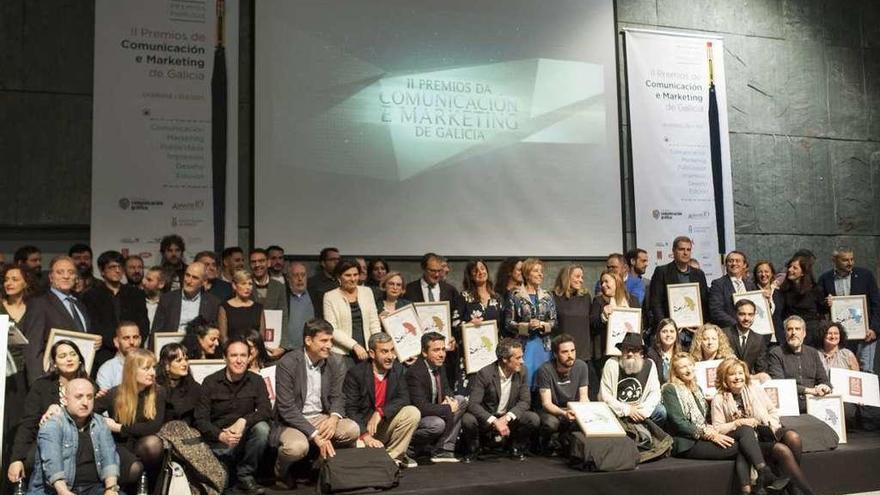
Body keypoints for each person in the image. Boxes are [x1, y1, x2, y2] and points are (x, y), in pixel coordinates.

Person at [663, 354, 787, 495]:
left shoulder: (696, 388)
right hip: (687, 443)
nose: (688, 369)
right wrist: (708, 434)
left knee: (745, 430)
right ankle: (761, 479)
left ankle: (756, 482)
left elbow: (704, 418)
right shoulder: (670, 389)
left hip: (705, 432)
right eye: (683, 366)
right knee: (744, 445)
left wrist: (711, 430)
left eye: (690, 365)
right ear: (675, 371)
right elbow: (679, 423)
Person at [271, 319, 359, 487]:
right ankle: (280, 473)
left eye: (331, 340)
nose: (329, 345)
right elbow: (286, 408)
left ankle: (318, 467)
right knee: (297, 448)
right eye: (324, 341)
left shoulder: (336, 361)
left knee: (351, 429)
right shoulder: (288, 363)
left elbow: (338, 396)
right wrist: (314, 434)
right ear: (308, 340)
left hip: (322, 416)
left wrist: (333, 418)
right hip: (292, 420)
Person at [712, 358, 816, 495]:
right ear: (724, 378)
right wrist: (738, 423)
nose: (738, 377)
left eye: (740, 373)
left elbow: (772, 411)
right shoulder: (719, 399)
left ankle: (791, 486)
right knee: (782, 450)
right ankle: (806, 492)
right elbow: (718, 428)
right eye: (732, 374)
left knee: (794, 437)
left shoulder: (754, 389)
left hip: (767, 430)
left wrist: (771, 428)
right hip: (750, 442)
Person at [194, 337, 271, 495]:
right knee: (222, 486)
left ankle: (245, 475)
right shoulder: (210, 382)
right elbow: (200, 419)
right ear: (225, 358)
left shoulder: (256, 381)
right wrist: (221, 435)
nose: (239, 360)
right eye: (234, 355)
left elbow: (266, 410)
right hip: (218, 442)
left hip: (244, 440)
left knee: (262, 429)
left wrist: (244, 421)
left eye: (243, 355)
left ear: (249, 358)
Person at [7, 341, 89, 487]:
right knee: (33, 458)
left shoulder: (90, 386)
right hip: (47, 442)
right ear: (55, 363)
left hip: (80, 444)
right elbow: (28, 424)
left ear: (80, 359)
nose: (69, 359)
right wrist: (16, 459)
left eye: (73, 354)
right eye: (62, 356)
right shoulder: (41, 386)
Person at [26, 378, 120, 495]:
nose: (85, 402)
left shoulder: (100, 422)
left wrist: (111, 489)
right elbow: (52, 464)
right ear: (65, 400)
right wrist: (64, 491)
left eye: (89, 397)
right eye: (79, 397)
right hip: (55, 490)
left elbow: (109, 457)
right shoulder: (53, 424)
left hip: (94, 488)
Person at [343, 333, 421, 467]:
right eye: (384, 351)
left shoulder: (397, 369)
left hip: (383, 425)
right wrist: (365, 435)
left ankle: (392, 459)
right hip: (362, 430)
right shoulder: (356, 374)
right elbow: (350, 409)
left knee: (412, 412)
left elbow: (404, 398)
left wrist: (380, 412)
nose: (390, 356)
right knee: (359, 456)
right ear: (372, 354)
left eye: (392, 351)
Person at [93, 349, 165, 490]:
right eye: (146, 368)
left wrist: (119, 427)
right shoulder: (115, 393)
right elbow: (89, 409)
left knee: (153, 444)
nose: (152, 373)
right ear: (132, 370)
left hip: (144, 444)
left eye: (153, 368)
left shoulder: (159, 392)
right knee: (134, 469)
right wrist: (103, 422)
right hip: (121, 444)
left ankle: (147, 484)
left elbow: (153, 427)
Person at [23, 256, 98, 385]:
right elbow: (33, 348)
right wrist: (38, 386)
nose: (66, 276)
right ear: (51, 277)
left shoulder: (79, 304)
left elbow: (82, 337)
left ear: (76, 277)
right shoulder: (39, 303)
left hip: (79, 380)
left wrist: (94, 343)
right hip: (52, 380)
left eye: (70, 272)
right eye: (60, 272)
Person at [462, 338, 539, 462]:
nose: (522, 361)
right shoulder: (485, 373)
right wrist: (494, 421)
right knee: (468, 419)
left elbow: (525, 401)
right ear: (504, 359)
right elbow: (473, 404)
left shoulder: (522, 371)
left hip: (508, 416)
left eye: (522, 357)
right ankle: (474, 449)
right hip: (488, 417)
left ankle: (515, 447)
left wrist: (507, 417)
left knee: (532, 418)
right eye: (518, 358)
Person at [82, 251, 149, 370]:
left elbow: (143, 323)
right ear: (102, 271)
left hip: (133, 352)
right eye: (112, 267)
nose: (117, 270)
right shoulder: (91, 296)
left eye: (120, 267)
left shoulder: (136, 294)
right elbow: (93, 325)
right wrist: (116, 343)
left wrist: (132, 343)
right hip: (104, 354)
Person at [817, 247, 879, 372]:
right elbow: (818, 306)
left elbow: (876, 304)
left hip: (865, 334)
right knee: (842, 370)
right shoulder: (825, 279)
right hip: (840, 336)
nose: (850, 263)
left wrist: (874, 328)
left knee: (866, 369)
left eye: (852, 259)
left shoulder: (865, 275)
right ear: (834, 260)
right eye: (845, 260)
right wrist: (826, 303)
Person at [407, 332, 466, 464]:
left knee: (460, 400)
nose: (442, 354)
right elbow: (420, 407)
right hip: (419, 418)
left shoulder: (439, 366)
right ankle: (409, 448)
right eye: (436, 350)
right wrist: (446, 408)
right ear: (424, 352)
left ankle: (443, 449)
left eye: (443, 349)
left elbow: (447, 389)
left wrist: (450, 399)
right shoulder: (415, 373)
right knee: (437, 424)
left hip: (436, 409)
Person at [504, 258, 556, 389]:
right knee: (525, 381)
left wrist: (543, 325)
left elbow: (554, 321)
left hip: (543, 346)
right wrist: (526, 326)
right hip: (524, 345)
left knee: (543, 381)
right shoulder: (515, 295)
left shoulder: (548, 296)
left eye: (541, 271)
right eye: (536, 271)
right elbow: (508, 323)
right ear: (527, 274)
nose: (540, 274)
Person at [648, 236, 709, 344]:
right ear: (673, 251)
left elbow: (704, 302)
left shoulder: (699, 274)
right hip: (670, 333)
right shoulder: (662, 272)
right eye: (681, 249)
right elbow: (655, 302)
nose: (685, 253)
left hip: (694, 332)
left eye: (688, 250)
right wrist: (666, 326)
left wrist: (701, 325)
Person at [2, 264, 37, 451]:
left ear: (26, 282)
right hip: (3, 372)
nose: (9, 283)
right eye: (6, 279)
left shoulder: (34, 307)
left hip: (27, 372)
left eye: (15, 279)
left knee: (20, 420)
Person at [536, 334, 589, 455]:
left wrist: (583, 413)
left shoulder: (582, 366)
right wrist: (564, 413)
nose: (570, 355)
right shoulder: (545, 370)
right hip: (551, 410)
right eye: (565, 352)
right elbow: (546, 403)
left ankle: (565, 442)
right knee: (551, 423)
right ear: (555, 354)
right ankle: (544, 445)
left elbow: (584, 397)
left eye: (572, 351)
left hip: (572, 409)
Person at [323, 259, 381, 366]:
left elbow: (374, 322)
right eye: (348, 275)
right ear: (339, 277)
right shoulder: (330, 297)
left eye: (355, 274)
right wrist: (354, 345)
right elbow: (332, 328)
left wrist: (377, 346)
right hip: (342, 353)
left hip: (367, 351)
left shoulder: (367, 292)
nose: (353, 279)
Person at [767, 316, 832, 412]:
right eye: (790, 329)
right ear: (785, 334)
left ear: (804, 333)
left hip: (814, 403)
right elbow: (780, 385)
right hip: (789, 404)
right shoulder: (776, 353)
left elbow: (824, 380)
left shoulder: (813, 353)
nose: (793, 333)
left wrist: (825, 387)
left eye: (797, 329)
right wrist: (810, 391)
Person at [599, 332, 665, 424]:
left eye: (634, 350)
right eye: (626, 350)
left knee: (660, 411)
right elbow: (605, 396)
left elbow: (655, 392)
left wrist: (642, 411)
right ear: (622, 351)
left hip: (640, 409)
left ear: (641, 352)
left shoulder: (649, 365)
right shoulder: (612, 364)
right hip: (618, 409)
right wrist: (627, 410)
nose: (630, 353)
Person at [458, 260, 502, 390]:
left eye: (482, 268)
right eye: (475, 271)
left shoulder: (497, 298)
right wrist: (468, 324)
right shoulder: (465, 297)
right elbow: (454, 323)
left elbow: (503, 325)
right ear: (470, 276)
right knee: (471, 389)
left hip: (492, 351)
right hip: (471, 353)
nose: (480, 272)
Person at [151, 261, 220, 333]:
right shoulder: (167, 299)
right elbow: (156, 331)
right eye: (187, 275)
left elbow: (214, 332)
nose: (189, 281)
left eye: (195, 278)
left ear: (203, 282)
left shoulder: (213, 303)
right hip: (171, 342)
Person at [590, 269, 640, 361]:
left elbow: (639, 325)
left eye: (606, 281)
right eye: (602, 282)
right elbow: (592, 325)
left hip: (629, 352)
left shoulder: (633, 301)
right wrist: (603, 317)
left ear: (617, 282)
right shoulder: (599, 301)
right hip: (606, 353)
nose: (603, 285)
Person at [552, 264, 592, 373]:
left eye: (582, 277)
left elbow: (592, 322)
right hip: (562, 353)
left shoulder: (586, 297)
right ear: (567, 277)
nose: (581, 280)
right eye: (577, 276)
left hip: (583, 353)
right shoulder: (554, 297)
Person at [778, 255, 824, 347]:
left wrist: (828, 303)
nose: (790, 270)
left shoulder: (815, 290)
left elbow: (822, 310)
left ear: (803, 272)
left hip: (811, 334)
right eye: (789, 267)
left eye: (795, 268)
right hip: (791, 333)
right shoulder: (783, 290)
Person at [248, 248, 288, 356]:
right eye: (253, 262)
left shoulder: (279, 286)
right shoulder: (244, 285)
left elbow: (284, 316)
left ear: (268, 263)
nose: (257, 265)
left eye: (261, 261)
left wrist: (283, 346)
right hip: (249, 344)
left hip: (273, 345)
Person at [723, 299, 771, 380]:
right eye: (742, 314)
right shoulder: (724, 334)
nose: (746, 318)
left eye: (750, 314)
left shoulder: (759, 339)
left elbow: (761, 368)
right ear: (735, 314)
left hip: (748, 381)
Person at [708, 251, 757, 328]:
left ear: (744, 265)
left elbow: (757, 308)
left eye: (738, 261)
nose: (734, 264)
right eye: (730, 261)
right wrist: (738, 324)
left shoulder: (751, 285)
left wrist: (766, 301)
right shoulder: (718, 284)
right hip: (729, 331)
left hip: (750, 333)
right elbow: (716, 311)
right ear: (726, 265)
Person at [156, 343, 200, 425]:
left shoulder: (194, 387)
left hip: (187, 432)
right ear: (166, 365)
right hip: (160, 431)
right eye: (179, 360)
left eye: (186, 359)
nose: (185, 364)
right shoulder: (156, 387)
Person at [217, 269, 265, 342]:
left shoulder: (258, 308)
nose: (248, 287)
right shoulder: (224, 307)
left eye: (250, 284)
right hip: (233, 351)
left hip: (254, 350)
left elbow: (261, 337)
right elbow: (223, 337)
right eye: (243, 283)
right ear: (234, 285)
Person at [95, 322, 143, 391]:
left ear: (140, 340)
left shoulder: (149, 365)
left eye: (135, 337)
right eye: (126, 338)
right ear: (116, 342)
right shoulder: (107, 370)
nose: (132, 342)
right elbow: (104, 400)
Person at [284, 262, 314, 350]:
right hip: (288, 350)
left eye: (303, 275)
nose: (300, 279)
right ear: (288, 278)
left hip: (311, 349)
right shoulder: (283, 296)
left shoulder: (315, 296)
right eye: (295, 275)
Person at [753, 260, 785, 344]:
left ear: (772, 273)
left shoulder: (779, 293)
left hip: (779, 339)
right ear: (756, 275)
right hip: (759, 340)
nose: (763, 275)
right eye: (760, 272)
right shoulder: (751, 293)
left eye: (766, 271)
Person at [308, 247, 341, 318]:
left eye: (338, 259)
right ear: (323, 263)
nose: (336, 262)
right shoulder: (313, 283)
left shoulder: (343, 280)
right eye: (332, 259)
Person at [646, 318, 681, 385]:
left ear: (676, 334)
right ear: (658, 334)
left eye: (672, 331)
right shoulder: (651, 354)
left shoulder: (681, 353)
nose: (668, 335)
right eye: (664, 331)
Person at [141, 266, 165, 331]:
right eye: (145, 279)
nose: (144, 282)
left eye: (149, 280)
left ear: (161, 284)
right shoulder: (138, 302)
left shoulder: (169, 305)